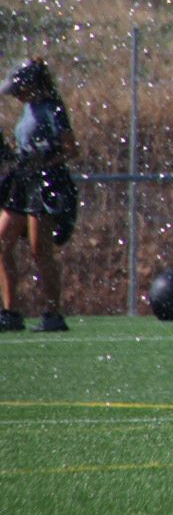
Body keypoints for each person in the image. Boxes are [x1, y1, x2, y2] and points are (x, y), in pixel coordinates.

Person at [0, 58, 80, 333]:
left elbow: (71, 149)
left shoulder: (52, 107)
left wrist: (43, 162)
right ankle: (10, 313)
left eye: (20, 89)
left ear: (34, 86)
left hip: (47, 182)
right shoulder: (29, 109)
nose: (17, 96)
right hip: (24, 180)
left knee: (39, 250)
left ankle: (52, 314)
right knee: (2, 242)